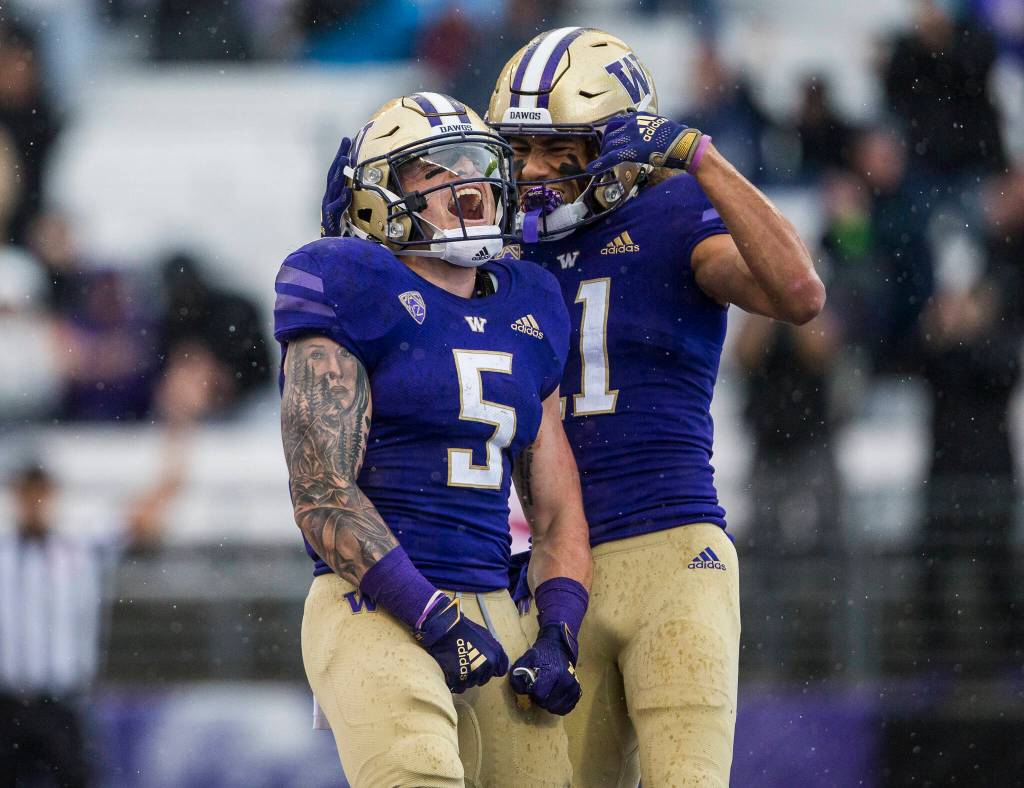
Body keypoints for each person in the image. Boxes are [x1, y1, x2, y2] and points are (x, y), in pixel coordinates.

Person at [487, 28, 825, 786]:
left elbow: (799, 293)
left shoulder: (674, 212)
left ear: (618, 145)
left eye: (559, 149)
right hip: (556, 574)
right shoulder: (498, 252)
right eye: (520, 148)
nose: (532, 170)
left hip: (672, 552)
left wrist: (701, 158)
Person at [276, 93, 592, 787]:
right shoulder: (348, 282)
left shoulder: (529, 301)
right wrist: (430, 617)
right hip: (375, 602)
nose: (468, 180)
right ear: (377, 197)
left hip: (494, 606)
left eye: (477, 162)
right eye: (437, 167)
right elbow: (320, 492)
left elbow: (557, 508)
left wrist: (558, 631)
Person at [0, 443, 181, 787]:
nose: (32, 500)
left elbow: (147, 512)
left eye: (39, 491)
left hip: (62, 706)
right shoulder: (4, 555)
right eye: (26, 491)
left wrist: (178, 431)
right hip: (6, 707)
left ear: (50, 494)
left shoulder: (77, 548)